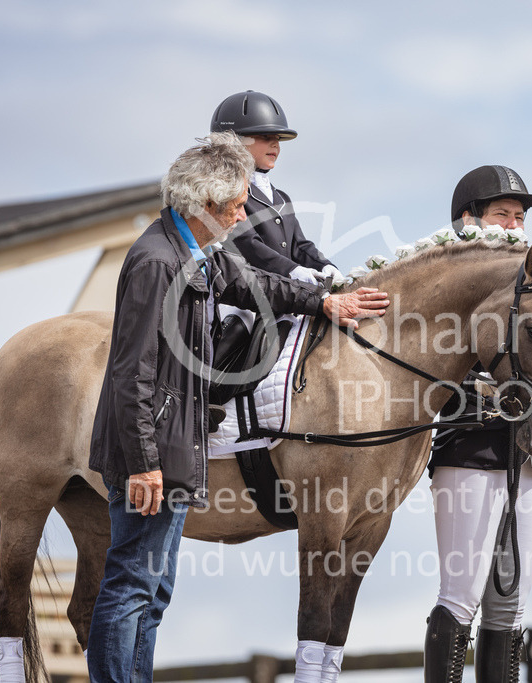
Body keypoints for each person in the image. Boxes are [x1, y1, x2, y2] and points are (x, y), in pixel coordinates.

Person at [85, 132, 388, 681]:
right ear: (203, 205)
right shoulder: (157, 262)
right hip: (151, 453)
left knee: (153, 594)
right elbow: (132, 374)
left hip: (176, 447)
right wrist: (144, 462)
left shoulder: (201, 254)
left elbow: (256, 286)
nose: (242, 215)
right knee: (130, 587)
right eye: (234, 206)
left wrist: (322, 300)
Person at [423, 165, 532, 683]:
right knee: (461, 596)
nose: (516, 226)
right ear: (467, 221)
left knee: (513, 606)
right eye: (504, 215)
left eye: (521, 217)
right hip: (468, 445)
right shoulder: (445, 288)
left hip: (529, 455)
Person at [210, 89, 340, 284]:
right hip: (243, 291)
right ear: (235, 141)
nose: (275, 145)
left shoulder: (281, 197)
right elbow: (247, 243)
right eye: (265, 137)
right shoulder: (228, 194)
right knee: (235, 316)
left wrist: (324, 265)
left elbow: (299, 245)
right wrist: (292, 270)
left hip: (284, 291)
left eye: (278, 138)